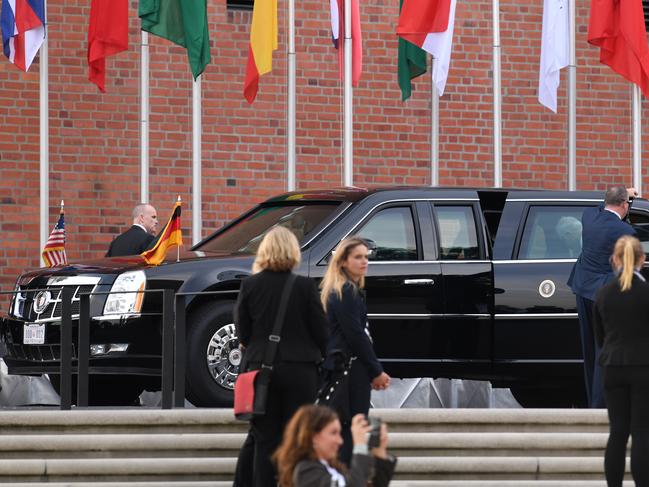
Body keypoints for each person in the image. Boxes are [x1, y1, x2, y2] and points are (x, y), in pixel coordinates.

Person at [234, 226, 330, 487]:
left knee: (264, 442)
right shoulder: (303, 286)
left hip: (261, 372)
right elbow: (322, 332)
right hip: (301, 372)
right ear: (293, 251)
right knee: (298, 439)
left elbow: (243, 332)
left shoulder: (250, 285)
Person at [320, 236, 391, 464]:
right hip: (349, 371)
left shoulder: (347, 290)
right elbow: (356, 335)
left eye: (366, 257)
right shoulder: (345, 291)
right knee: (352, 429)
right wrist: (375, 370)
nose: (364, 262)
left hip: (349, 368)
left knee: (349, 429)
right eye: (358, 257)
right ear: (343, 261)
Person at [567, 185, 637, 408]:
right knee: (604, 351)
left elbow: (601, 207)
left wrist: (624, 193)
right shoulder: (625, 232)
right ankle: (600, 406)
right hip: (604, 295)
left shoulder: (588, 217)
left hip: (582, 288)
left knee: (590, 352)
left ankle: (593, 403)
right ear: (625, 205)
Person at [593, 236, 649, 487]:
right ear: (642, 259)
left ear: (614, 259)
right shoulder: (646, 292)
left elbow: (600, 336)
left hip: (613, 368)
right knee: (641, 432)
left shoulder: (603, 293)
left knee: (617, 432)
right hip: (643, 367)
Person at [274, 404, 396, 487]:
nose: (340, 441)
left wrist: (379, 452)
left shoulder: (334, 468)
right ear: (313, 436)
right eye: (333, 433)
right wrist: (359, 446)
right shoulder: (305, 471)